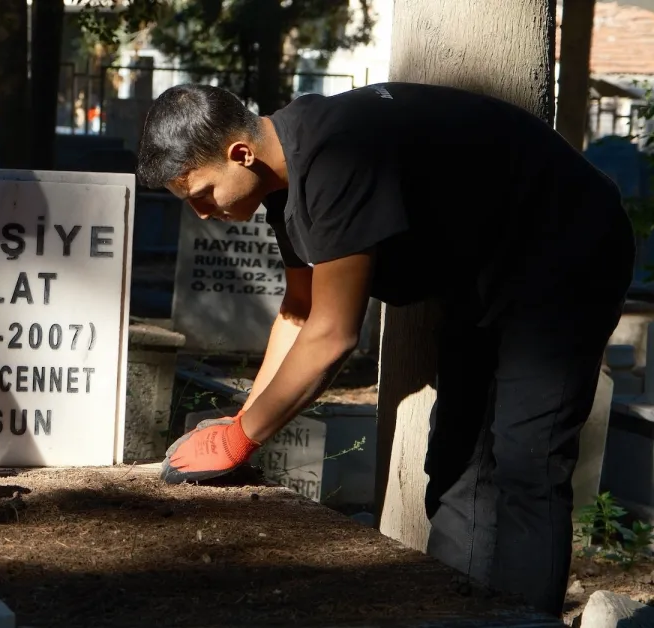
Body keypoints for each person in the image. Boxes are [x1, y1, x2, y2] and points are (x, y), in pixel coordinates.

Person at [140, 83, 634, 616]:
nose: (202, 213)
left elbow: (332, 335)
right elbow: (300, 311)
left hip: (565, 251)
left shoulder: (334, 155)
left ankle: (523, 621)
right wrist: (240, 422)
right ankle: (453, 611)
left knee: (527, 463)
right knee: (455, 460)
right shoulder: (282, 176)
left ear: (240, 155)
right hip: (484, 274)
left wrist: (241, 440)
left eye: (202, 194)